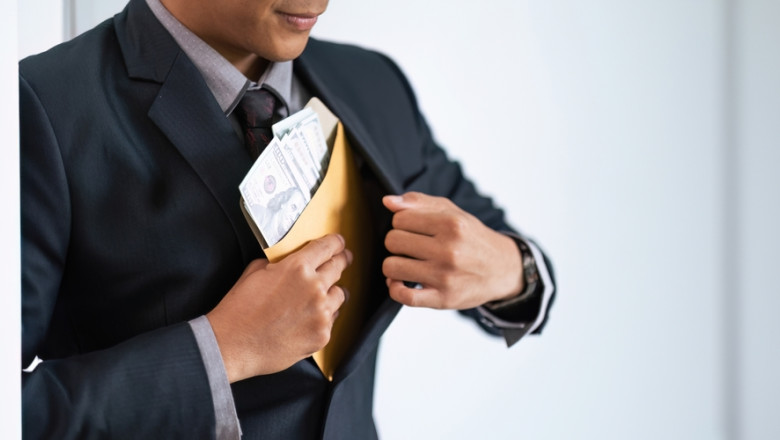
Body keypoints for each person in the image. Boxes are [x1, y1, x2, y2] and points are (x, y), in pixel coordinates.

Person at [19, 0, 556, 438]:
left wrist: (512, 270)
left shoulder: (373, 82)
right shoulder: (40, 106)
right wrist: (222, 349)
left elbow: (499, 251)